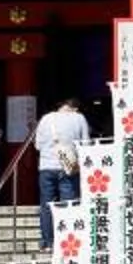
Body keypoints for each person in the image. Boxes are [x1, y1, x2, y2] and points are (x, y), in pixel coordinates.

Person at [31, 97, 92, 244]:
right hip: (68, 167)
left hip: (46, 167)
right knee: (68, 204)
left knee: (47, 205)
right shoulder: (79, 118)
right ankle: (67, 241)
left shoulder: (45, 119)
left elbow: (37, 145)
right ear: (75, 108)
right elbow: (86, 144)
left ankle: (47, 241)